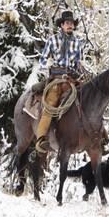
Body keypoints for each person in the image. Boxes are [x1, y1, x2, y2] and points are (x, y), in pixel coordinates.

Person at [35, 10, 85, 155]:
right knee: (50, 105)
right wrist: (48, 65)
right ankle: (41, 138)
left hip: (71, 80)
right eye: (67, 23)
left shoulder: (77, 43)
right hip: (56, 80)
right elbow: (42, 61)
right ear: (62, 25)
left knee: (88, 99)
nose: (70, 26)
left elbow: (79, 63)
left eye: (72, 24)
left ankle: (98, 137)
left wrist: (79, 72)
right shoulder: (52, 40)